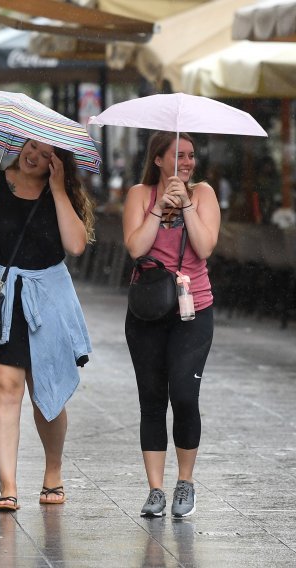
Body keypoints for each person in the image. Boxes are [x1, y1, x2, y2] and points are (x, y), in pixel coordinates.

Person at [0, 138, 94, 512]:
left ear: (58, 160)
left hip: (47, 299)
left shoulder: (59, 193)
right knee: (6, 390)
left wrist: (60, 191)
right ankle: (7, 487)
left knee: (44, 391)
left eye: (47, 152)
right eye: (31, 146)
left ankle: (53, 471)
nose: (35, 155)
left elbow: (76, 246)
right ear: (21, 144)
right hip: (1, 299)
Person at [123, 131, 220, 518]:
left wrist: (187, 207)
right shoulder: (138, 194)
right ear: (158, 159)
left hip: (193, 309)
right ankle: (156, 490)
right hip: (146, 310)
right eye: (178, 155)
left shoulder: (205, 194)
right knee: (151, 398)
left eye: (191, 155)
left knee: (183, 393)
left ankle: (185, 482)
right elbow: (135, 247)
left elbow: (206, 247)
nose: (186, 162)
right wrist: (158, 207)